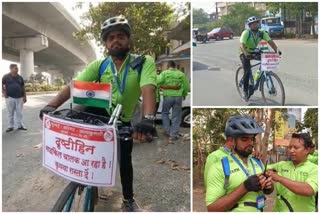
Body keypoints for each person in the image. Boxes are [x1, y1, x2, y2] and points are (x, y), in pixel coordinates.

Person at [39, 15, 157, 212]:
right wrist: (50, 106)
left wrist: (148, 120)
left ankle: (128, 199)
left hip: (123, 120)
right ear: (106, 44)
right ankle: (77, 173)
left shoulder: (143, 62)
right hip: (99, 114)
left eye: (120, 36)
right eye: (110, 38)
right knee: (75, 132)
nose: (115, 40)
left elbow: (148, 90)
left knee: (124, 161)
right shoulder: (100, 65)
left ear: (129, 40)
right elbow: (74, 87)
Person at [206, 115, 273, 212]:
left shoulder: (258, 162)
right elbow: (212, 209)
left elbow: (269, 191)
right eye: (244, 139)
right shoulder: (219, 167)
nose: (250, 143)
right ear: (232, 140)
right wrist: (244, 187)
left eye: (252, 139)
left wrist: (269, 187)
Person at [266, 133, 318, 212]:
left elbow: (309, 190)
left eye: (296, 148)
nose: (291, 150)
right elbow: (261, 168)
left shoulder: (315, 169)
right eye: (290, 147)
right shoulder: (281, 165)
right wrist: (256, 159)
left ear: (307, 150)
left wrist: (279, 178)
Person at [239, 16, 282, 101]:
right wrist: (246, 54)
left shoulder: (262, 33)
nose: (255, 25)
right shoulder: (246, 33)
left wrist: (277, 50)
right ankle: (245, 91)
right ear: (250, 26)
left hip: (254, 51)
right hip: (244, 52)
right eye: (253, 24)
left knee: (265, 61)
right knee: (247, 71)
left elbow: (270, 42)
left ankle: (256, 79)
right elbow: (242, 45)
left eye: (256, 23)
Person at [157, 61, 190, 141]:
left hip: (167, 97)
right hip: (178, 97)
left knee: (165, 113)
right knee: (176, 116)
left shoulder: (164, 73)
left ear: (168, 66)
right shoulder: (181, 74)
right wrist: (184, 94)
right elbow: (186, 86)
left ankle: (168, 131)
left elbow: (157, 82)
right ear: (175, 66)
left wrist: (162, 87)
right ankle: (173, 134)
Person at [2, 64, 27, 132]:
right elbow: (3, 85)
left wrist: (25, 96)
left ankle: (20, 125)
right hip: (10, 97)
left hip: (20, 97)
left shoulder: (20, 77)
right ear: (11, 69)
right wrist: (4, 93)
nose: (17, 69)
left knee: (19, 112)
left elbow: (23, 87)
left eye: (17, 68)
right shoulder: (5, 77)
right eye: (15, 68)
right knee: (10, 112)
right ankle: (10, 126)